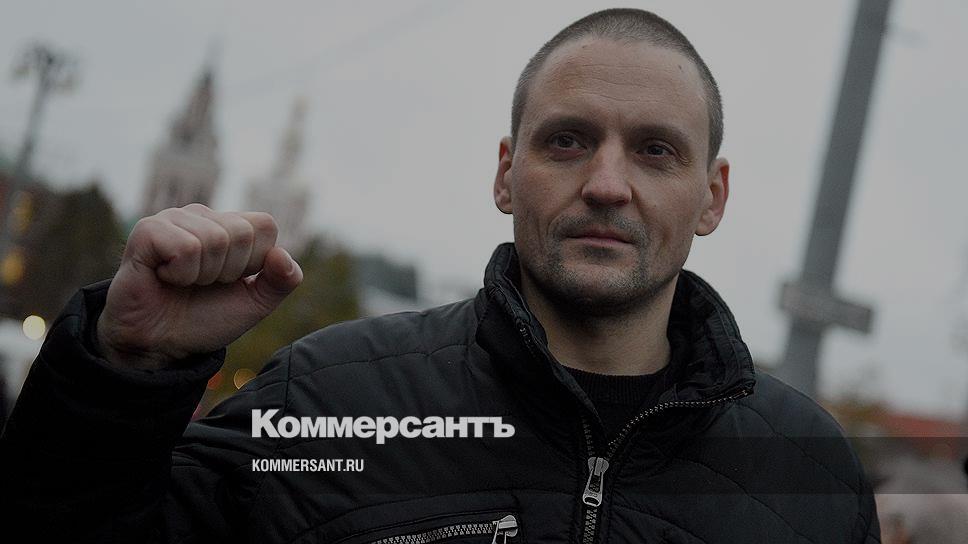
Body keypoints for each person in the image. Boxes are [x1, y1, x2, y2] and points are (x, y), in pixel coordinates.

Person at [0, 8, 880, 543]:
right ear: (505, 174)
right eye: (567, 140)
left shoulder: (811, 473)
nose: (607, 184)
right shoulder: (330, 400)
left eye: (655, 150)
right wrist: (123, 374)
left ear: (711, 196)